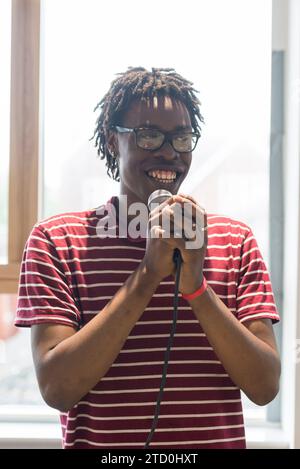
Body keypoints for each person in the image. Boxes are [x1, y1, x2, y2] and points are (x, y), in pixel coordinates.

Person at [15, 67, 281, 449]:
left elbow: (265, 385)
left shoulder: (235, 240)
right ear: (112, 141)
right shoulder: (56, 240)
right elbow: (58, 387)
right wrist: (146, 275)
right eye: (150, 135)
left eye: (182, 137)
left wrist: (197, 288)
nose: (169, 151)